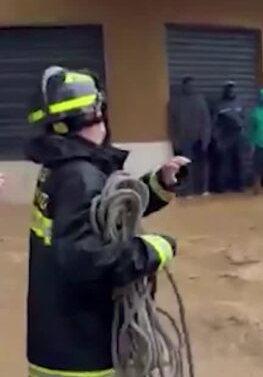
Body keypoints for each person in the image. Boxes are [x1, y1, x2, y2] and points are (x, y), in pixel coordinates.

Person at [24, 66, 188, 377]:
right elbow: (85, 259)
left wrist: (158, 184)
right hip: (81, 352)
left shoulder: (62, 169)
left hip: (57, 342)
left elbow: (104, 216)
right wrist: (152, 250)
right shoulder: (80, 176)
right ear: (94, 113)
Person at [168, 76, 211, 197]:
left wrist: (205, 139)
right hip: (184, 140)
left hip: (200, 139)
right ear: (183, 86)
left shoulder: (200, 100)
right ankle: (187, 190)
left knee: (202, 166)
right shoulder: (176, 102)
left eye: (193, 85)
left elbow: (206, 121)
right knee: (186, 167)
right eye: (188, 85)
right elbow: (172, 123)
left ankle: (203, 189)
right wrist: (175, 140)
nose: (191, 87)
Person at [212, 82, 246, 193]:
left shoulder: (240, 103)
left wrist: (244, 133)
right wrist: (216, 138)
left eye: (233, 90)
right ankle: (221, 187)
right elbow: (214, 123)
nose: (231, 92)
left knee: (238, 161)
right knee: (223, 163)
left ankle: (238, 185)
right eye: (229, 90)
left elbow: (244, 118)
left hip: (238, 135)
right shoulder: (219, 105)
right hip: (224, 136)